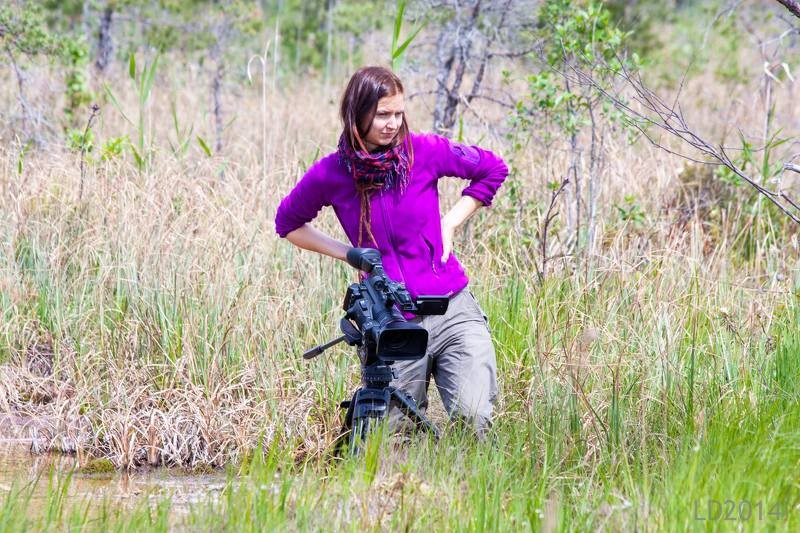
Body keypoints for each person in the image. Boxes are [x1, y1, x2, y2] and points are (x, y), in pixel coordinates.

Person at [274, 66, 508, 438]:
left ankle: (469, 490)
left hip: (453, 310)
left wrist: (451, 222)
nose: (392, 123)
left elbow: (493, 169)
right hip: (393, 323)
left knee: (473, 418)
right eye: (382, 114)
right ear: (357, 113)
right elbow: (288, 223)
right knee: (393, 440)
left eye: (398, 113)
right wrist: (350, 254)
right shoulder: (332, 173)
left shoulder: (425, 151)